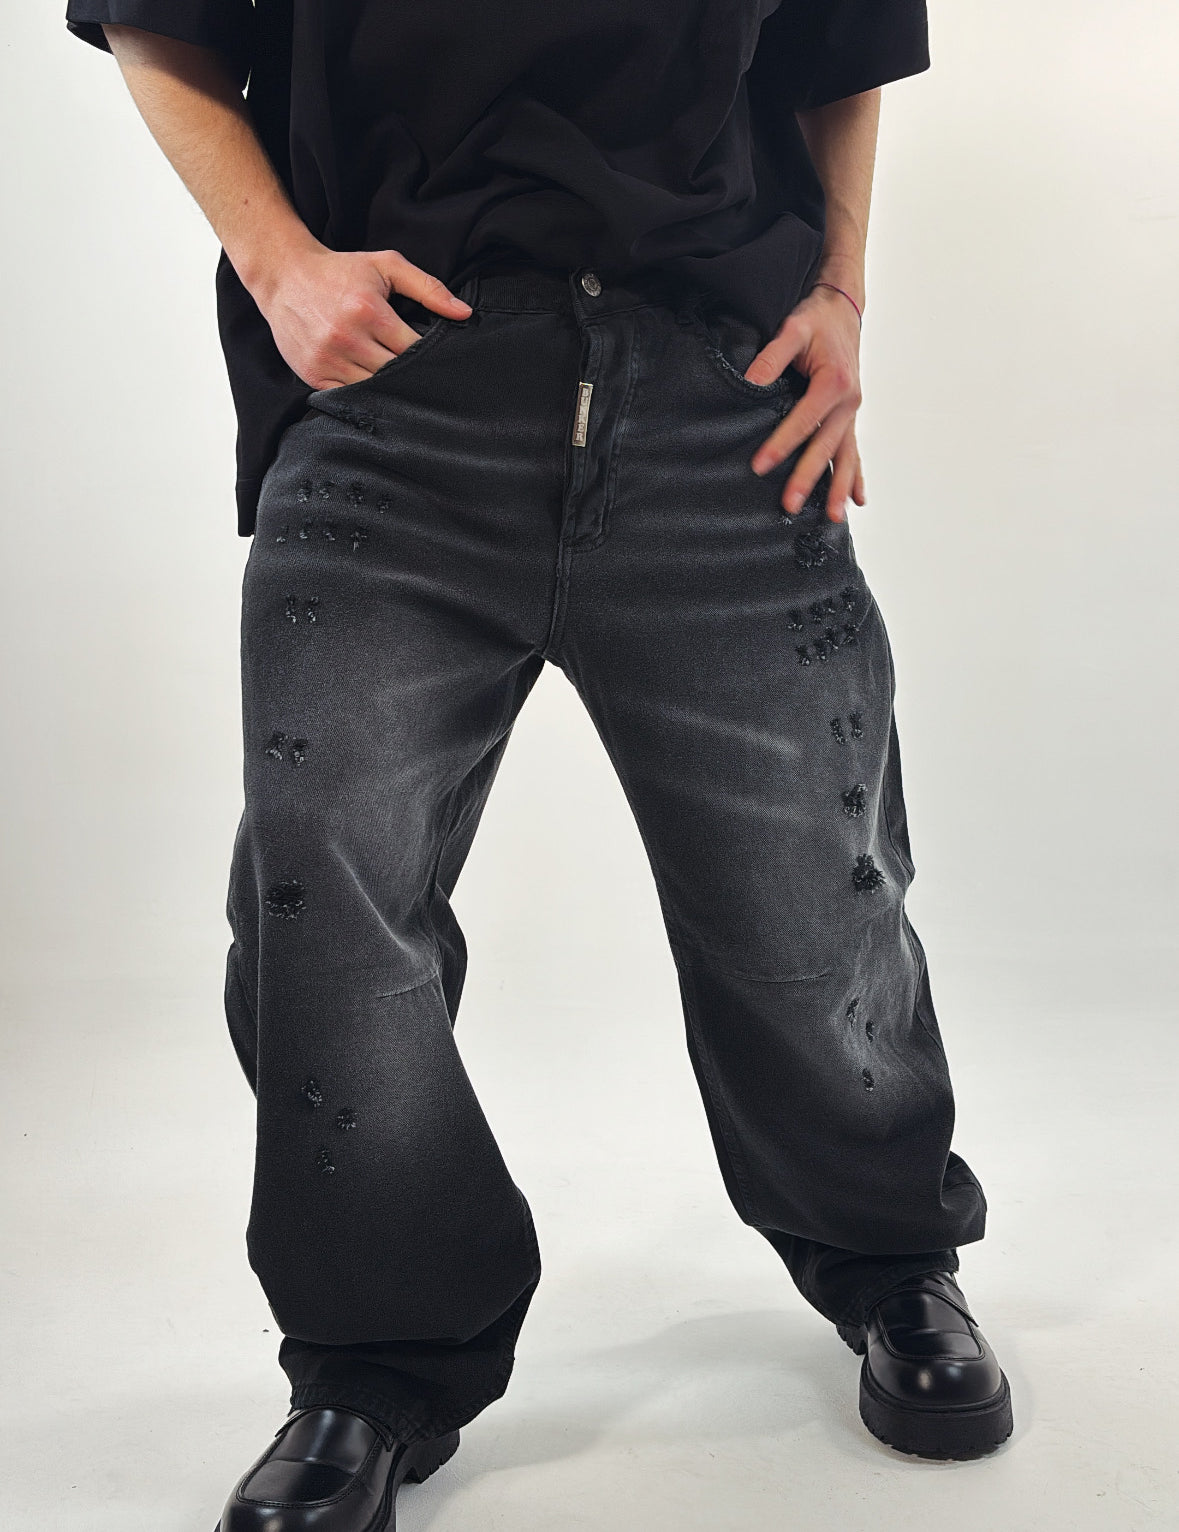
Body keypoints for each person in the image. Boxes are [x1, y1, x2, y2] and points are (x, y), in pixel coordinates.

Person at [64, 0, 1014, 1523]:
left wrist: (843, 292)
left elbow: (840, 39)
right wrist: (278, 265)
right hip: (398, 400)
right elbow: (152, 20)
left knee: (811, 894)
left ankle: (891, 1255)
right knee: (326, 909)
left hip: (717, 396)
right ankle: (374, 1360)